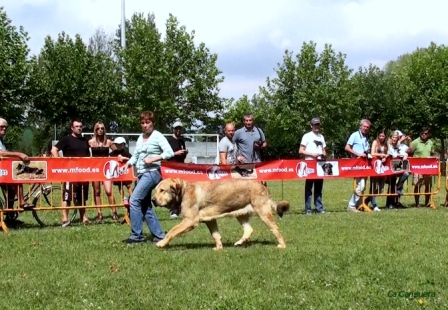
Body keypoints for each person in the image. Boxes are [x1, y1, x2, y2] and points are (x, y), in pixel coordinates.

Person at [120, 111, 174, 244]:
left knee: (134, 200)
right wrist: (127, 164)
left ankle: (136, 236)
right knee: (145, 206)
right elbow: (136, 155)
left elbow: (169, 152)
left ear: (153, 123)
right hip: (141, 173)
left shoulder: (158, 136)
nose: (145, 125)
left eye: (148, 122)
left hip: (152, 173)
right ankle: (159, 235)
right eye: (142, 123)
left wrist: (154, 158)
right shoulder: (140, 137)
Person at [51, 118, 91, 226]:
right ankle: (65, 218)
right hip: (70, 173)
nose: (79, 128)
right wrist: (59, 161)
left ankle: (83, 217)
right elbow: (54, 149)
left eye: (80, 126)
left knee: (82, 196)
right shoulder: (66, 139)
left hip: (83, 173)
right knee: (67, 196)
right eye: (76, 126)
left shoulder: (85, 140)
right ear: (72, 128)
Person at [0, 117, 32, 225]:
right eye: (1, 127)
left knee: (12, 190)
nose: (4, 129)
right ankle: (22, 202)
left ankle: (9, 218)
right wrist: (18, 154)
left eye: (5, 127)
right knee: (16, 179)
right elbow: (1, 153)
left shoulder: (1, 140)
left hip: (3, 171)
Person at [88, 122, 117, 223]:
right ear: (95, 130)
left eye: (102, 128)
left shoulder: (108, 142)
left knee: (109, 191)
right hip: (95, 169)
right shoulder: (91, 142)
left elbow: (117, 151)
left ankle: (114, 212)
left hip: (106, 170)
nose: (100, 130)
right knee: (97, 192)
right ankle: (99, 214)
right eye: (98, 129)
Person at [299, 117, 326, 215]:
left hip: (320, 165)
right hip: (310, 164)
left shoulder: (321, 137)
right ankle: (308, 209)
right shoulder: (307, 136)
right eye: (315, 124)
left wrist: (323, 154)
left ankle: (319, 208)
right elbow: (301, 150)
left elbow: (324, 149)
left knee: (319, 188)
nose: (316, 126)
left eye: (318, 124)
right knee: (309, 188)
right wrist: (312, 154)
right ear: (311, 126)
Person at [345, 119, 371, 212]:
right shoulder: (355, 135)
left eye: (367, 127)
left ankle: (359, 204)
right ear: (360, 126)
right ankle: (351, 205)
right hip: (356, 164)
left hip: (364, 164)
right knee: (361, 185)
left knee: (362, 186)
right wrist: (358, 154)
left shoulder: (366, 138)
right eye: (364, 126)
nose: (365, 128)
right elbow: (347, 147)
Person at [408, 127, 436, 207]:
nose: (424, 135)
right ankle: (417, 203)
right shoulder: (415, 142)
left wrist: (435, 157)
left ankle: (427, 202)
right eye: (422, 133)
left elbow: (433, 153)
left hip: (428, 168)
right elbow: (410, 152)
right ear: (420, 133)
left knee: (428, 185)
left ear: (428, 134)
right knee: (417, 185)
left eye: (426, 133)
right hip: (417, 168)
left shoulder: (430, 142)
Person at [166, 120, 188, 218]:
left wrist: (185, 153)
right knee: (173, 189)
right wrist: (176, 153)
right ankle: (173, 210)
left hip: (181, 167)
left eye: (180, 128)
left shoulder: (182, 140)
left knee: (181, 189)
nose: (178, 130)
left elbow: (182, 157)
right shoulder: (169, 140)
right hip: (171, 167)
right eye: (177, 128)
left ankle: (179, 208)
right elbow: (165, 155)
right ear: (173, 129)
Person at [386, 130, 410, 208]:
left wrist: (406, 154)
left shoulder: (400, 145)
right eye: (394, 137)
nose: (395, 139)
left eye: (397, 137)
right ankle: (389, 203)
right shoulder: (388, 144)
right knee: (392, 184)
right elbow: (391, 153)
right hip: (390, 166)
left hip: (398, 165)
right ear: (391, 137)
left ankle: (398, 188)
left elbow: (408, 151)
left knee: (406, 173)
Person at [367, 129, 389, 212]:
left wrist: (385, 157)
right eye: (380, 136)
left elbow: (389, 153)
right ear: (378, 136)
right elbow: (372, 153)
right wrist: (382, 155)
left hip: (383, 167)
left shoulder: (386, 143)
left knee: (381, 188)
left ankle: (366, 201)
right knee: (373, 186)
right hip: (375, 165)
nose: (382, 137)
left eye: (383, 136)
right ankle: (374, 205)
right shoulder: (375, 142)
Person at [109, 137, 133, 207]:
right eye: (117, 144)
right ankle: (123, 199)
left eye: (120, 144)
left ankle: (132, 198)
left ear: (123, 144)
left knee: (128, 185)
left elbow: (131, 159)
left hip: (126, 172)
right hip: (117, 172)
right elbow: (108, 159)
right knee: (120, 186)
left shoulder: (126, 152)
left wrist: (125, 158)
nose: (119, 146)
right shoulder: (112, 153)